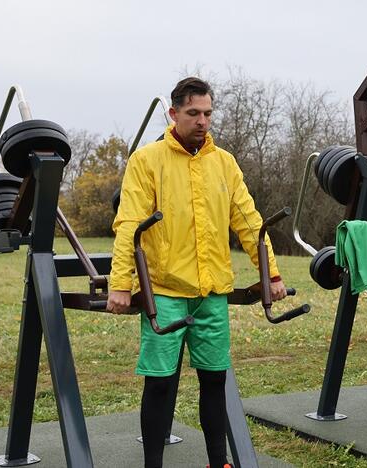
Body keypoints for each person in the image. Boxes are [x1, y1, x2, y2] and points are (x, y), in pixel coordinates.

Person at [107, 76, 287, 468]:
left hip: (211, 293)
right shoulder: (147, 161)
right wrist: (120, 284)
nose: (202, 121)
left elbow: (249, 222)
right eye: (193, 113)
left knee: (215, 380)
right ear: (174, 114)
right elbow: (129, 225)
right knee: (161, 383)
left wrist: (270, 276)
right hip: (166, 291)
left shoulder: (224, 164)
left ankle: (217, 462)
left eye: (207, 113)